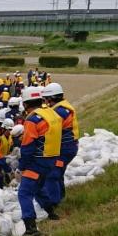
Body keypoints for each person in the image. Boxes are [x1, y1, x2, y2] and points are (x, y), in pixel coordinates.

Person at [18, 86, 62, 236]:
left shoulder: (32, 119)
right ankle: (51, 212)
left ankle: (31, 229)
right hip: (51, 159)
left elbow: (27, 146)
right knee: (38, 187)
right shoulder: (50, 113)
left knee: (24, 192)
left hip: (37, 161)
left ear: (25, 104)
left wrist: (21, 166)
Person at [42, 82, 79, 210]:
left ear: (51, 98)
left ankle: (54, 203)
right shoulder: (63, 107)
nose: (46, 102)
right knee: (58, 173)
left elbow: (50, 126)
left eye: (46, 99)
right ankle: (60, 197)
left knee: (52, 174)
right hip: (67, 146)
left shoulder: (60, 111)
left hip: (65, 148)